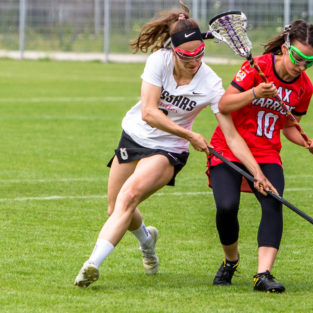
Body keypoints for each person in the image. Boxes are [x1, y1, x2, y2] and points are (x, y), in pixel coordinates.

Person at [74, 2, 276, 288]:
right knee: (114, 208)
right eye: (186, 57)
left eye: (199, 55)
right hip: (134, 136)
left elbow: (231, 135)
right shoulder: (160, 60)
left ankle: (92, 264)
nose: (194, 62)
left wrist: (256, 172)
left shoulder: (210, 82)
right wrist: (191, 134)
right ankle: (147, 239)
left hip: (169, 149)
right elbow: (148, 112)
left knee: (129, 197)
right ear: (174, 51)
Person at [208, 20, 313, 293]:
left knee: (273, 205)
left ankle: (263, 274)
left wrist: (307, 143)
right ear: (285, 49)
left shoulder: (304, 88)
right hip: (228, 146)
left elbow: (288, 126)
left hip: (267, 152)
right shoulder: (256, 66)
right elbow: (223, 105)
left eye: (311, 60)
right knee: (226, 207)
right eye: (298, 58)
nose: (302, 66)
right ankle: (231, 260)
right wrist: (255, 92)